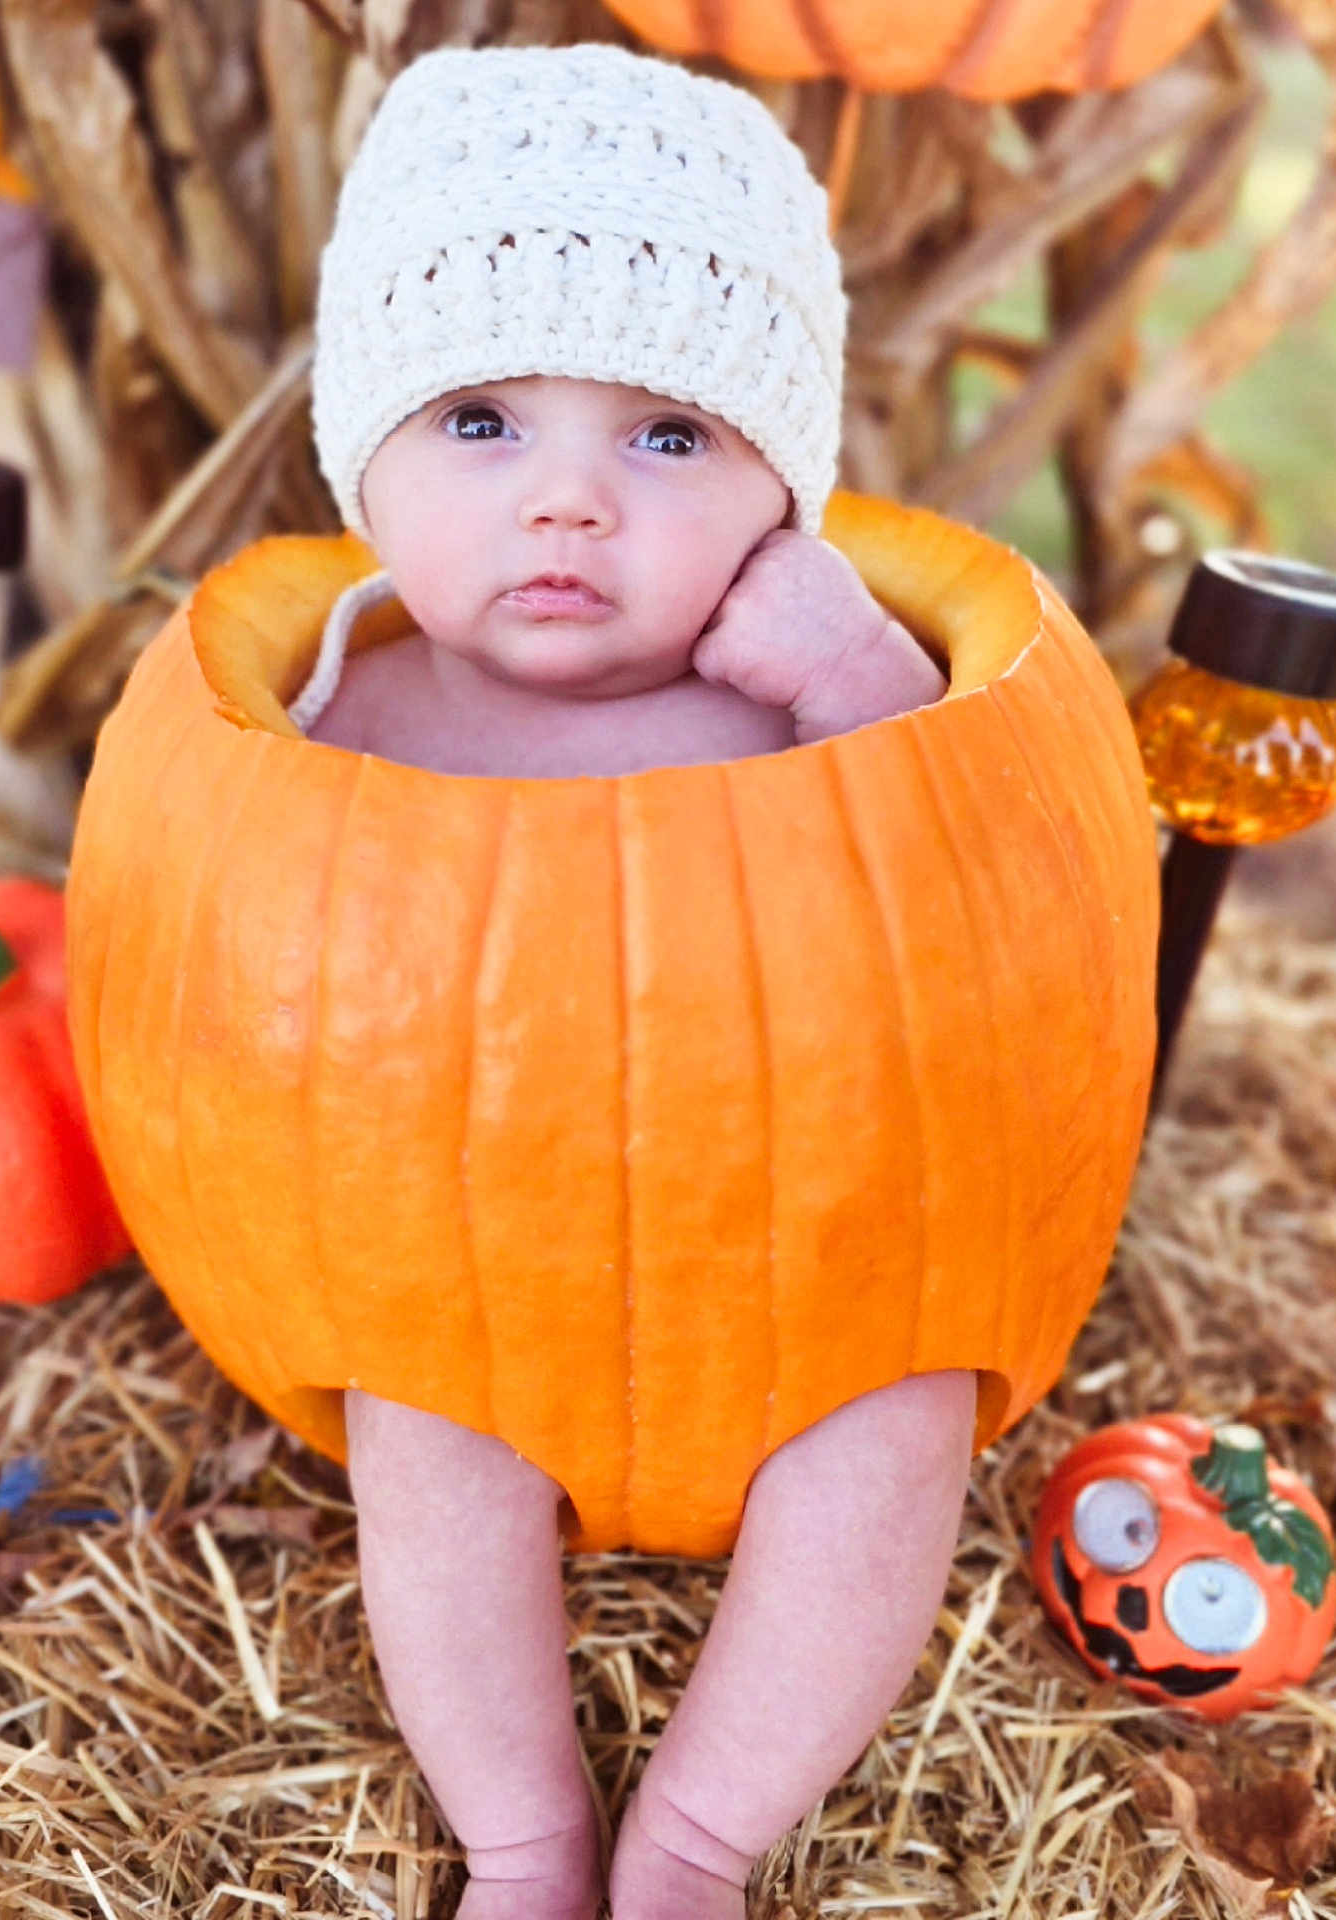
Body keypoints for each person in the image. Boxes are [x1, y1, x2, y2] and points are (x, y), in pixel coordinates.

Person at [298, 44, 971, 1920]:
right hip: (474, 1272)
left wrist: (855, 679)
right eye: (483, 421)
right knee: (422, 1437)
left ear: (781, 493)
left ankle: (695, 1843)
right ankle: (523, 1837)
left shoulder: (818, 690)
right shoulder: (331, 721)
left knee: (903, 1427)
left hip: (801, 1258)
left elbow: (971, 886)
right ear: (365, 455)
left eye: (667, 437)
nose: (569, 504)